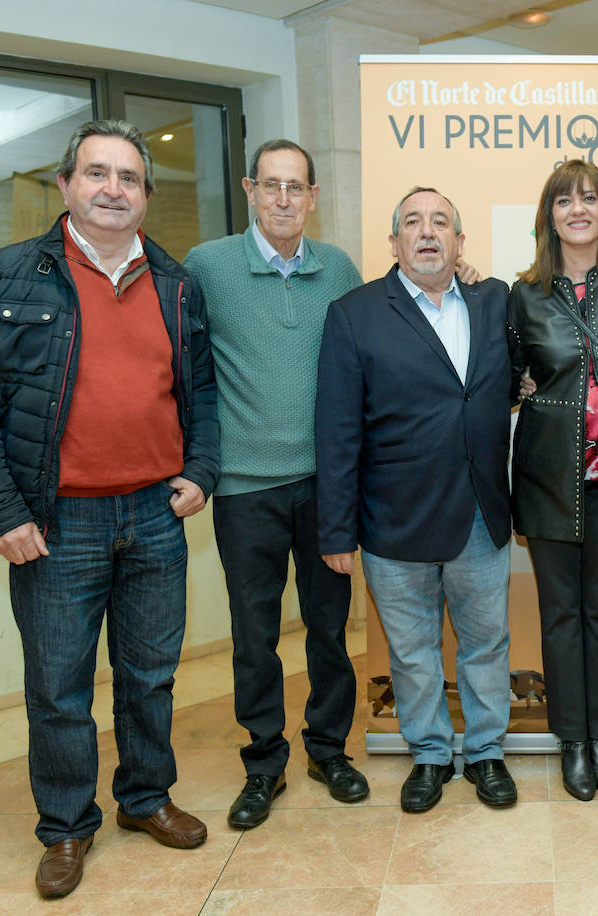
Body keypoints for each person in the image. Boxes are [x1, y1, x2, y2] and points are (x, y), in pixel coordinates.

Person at [0, 119, 219, 898]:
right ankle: (66, 828)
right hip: (56, 523)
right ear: (65, 185)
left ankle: (145, 799)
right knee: (59, 686)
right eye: (97, 173)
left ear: (146, 197)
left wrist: (202, 470)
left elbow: (200, 392)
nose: (112, 190)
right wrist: (0, 512)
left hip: (157, 515)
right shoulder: (3, 277)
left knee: (151, 675)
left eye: (128, 178)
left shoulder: (176, 282)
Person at [183, 139, 367, 829]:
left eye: (297, 187)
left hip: (325, 486)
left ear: (313, 197)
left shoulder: (340, 269)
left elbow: (374, 352)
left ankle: (328, 750)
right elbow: (179, 360)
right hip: (242, 490)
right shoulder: (207, 266)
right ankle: (264, 763)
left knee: (328, 629)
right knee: (254, 635)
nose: (284, 199)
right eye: (271, 186)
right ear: (250, 190)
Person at [316, 187, 518, 814]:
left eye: (440, 223)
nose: (427, 232)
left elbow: (516, 379)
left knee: (486, 643)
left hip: (481, 514)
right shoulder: (353, 313)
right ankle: (429, 754)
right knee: (412, 650)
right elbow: (338, 428)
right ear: (394, 242)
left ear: (459, 242)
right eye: (412, 222)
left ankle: (486, 753)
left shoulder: (494, 301)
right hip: (392, 520)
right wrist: (334, 531)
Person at [506, 159, 598, 801]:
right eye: (565, 201)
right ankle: (572, 742)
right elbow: (502, 377)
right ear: (549, 216)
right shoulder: (524, 293)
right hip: (547, 482)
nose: (578, 210)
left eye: (590, 198)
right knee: (560, 617)